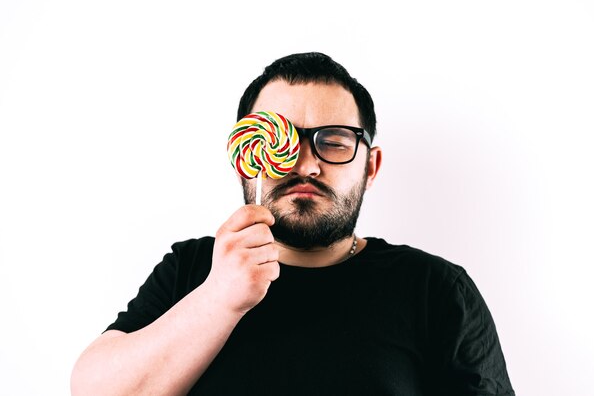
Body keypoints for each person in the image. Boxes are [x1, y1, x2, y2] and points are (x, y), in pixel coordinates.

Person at [71, 52, 515, 395]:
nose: (305, 165)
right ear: (246, 157)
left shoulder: (434, 290)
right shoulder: (193, 268)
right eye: (280, 138)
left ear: (371, 167)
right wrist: (219, 300)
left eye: (335, 141)